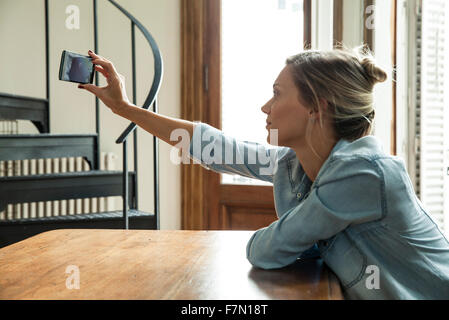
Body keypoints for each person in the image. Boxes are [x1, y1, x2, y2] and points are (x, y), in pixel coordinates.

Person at [78, 48, 449, 300]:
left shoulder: (365, 173)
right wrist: (125, 109)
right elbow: (216, 147)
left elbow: (268, 250)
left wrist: (285, 240)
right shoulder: (296, 162)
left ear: (316, 108)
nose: (265, 106)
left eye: (277, 93)